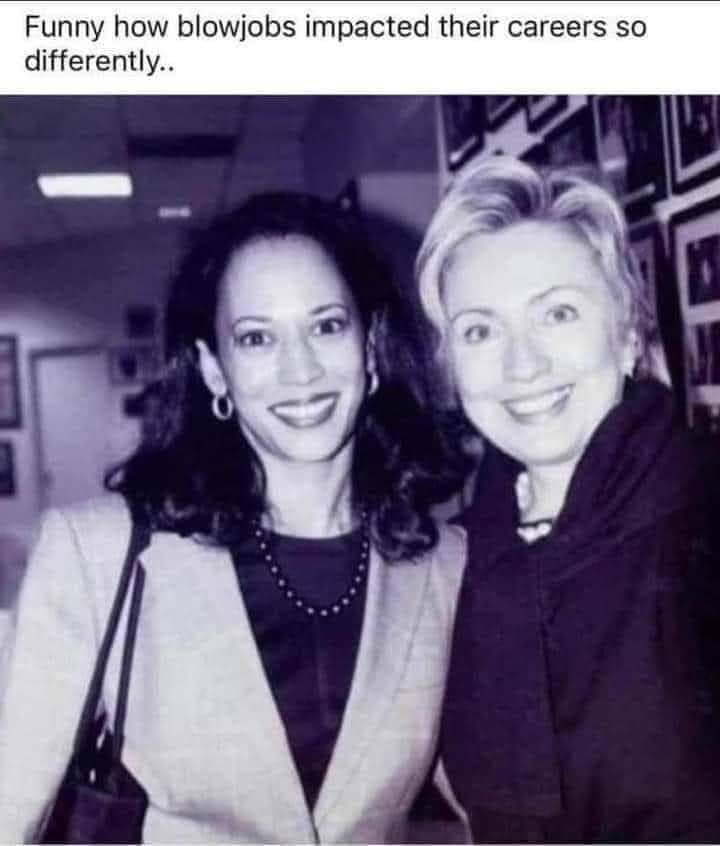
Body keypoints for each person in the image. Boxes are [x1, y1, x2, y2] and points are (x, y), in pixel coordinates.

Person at [0, 193, 466, 843]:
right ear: (214, 370)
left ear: (370, 346)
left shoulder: (446, 566)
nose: (299, 369)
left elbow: (498, 800)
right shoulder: (96, 553)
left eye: (327, 326)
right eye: (256, 338)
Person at [415, 156, 720, 842]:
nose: (522, 364)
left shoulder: (702, 514)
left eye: (557, 313)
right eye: (480, 329)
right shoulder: (453, 564)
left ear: (628, 334)